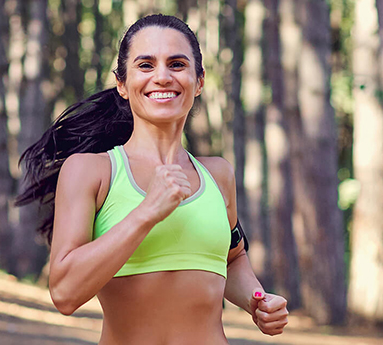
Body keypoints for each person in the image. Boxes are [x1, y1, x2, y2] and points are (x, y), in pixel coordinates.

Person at [17, 14, 288, 344]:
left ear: (199, 81)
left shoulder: (218, 175)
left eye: (176, 64)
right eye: (145, 65)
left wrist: (257, 301)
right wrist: (147, 211)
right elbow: (64, 293)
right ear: (122, 84)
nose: (162, 77)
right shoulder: (92, 171)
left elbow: (233, 258)